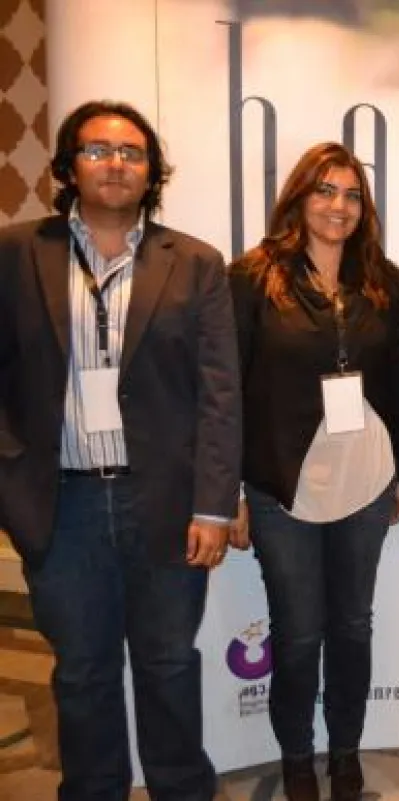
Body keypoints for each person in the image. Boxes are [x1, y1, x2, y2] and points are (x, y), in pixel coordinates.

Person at [0, 100, 240, 800]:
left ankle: (181, 788)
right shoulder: (15, 253)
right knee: (82, 671)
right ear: (69, 166)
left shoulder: (194, 262)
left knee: (169, 664)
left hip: (163, 501)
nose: (116, 164)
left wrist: (213, 506)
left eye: (132, 153)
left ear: (152, 171)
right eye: (98, 150)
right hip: (61, 503)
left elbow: (220, 394)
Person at [226, 142, 399, 801]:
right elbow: (228, 388)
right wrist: (229, 490)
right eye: (325, 191)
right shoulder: (252, 277)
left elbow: (397, 383)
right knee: (299, 633)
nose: (339, 206)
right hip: (283, 487)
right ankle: (298, 759)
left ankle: (346, 754)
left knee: (352, 627)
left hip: (367, 479)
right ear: (299, 198)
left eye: (352, 194)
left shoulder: (383, 279)